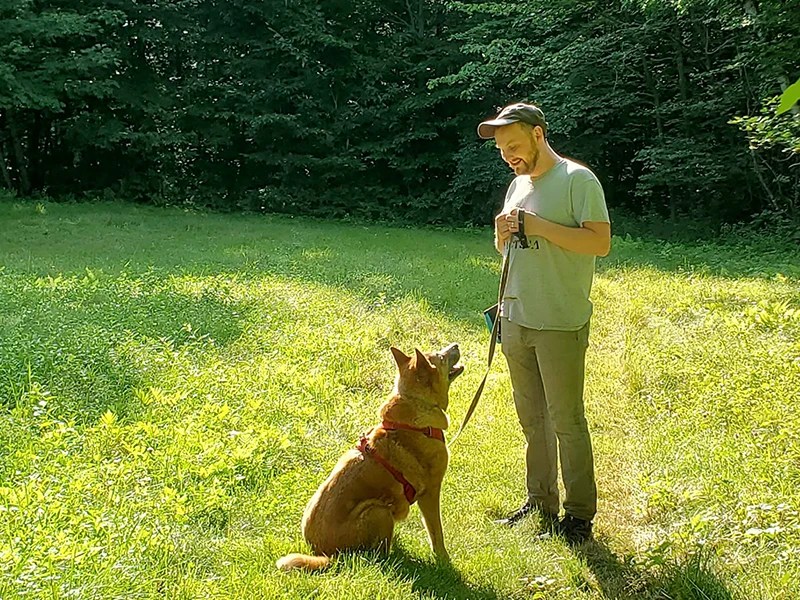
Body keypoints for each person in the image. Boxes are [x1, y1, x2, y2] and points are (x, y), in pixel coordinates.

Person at [477, 102, 611, 543]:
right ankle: (539, 502)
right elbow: (512, 251)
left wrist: (539, 226)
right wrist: (502, 237)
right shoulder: (516, 185)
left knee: (566, 419)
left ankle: (578, 515)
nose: (508, 155)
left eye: (513, 145)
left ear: (537, 134)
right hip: (515, 317)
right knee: (531, 419)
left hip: (559, 320)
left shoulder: (578, 180)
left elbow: (600, 243)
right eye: (501, 149)